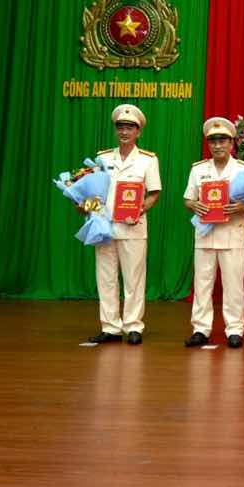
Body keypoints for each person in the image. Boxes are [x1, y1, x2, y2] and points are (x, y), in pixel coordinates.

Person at [87, 104, 161, 345]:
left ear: (138, 132)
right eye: (120, 127)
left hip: (132, 226)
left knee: (133, 279)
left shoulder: (148, 160)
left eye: (130, 127)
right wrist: (86, 205)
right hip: (105, 227)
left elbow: (154, 194)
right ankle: (110, 327)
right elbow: (93, 191)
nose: (124, 132)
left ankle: (133, 326)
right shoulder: (103, 157)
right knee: (106, 278)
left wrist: (142, 208)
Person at [183, 117, 244, 349]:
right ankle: (200, 329)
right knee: (202, 284)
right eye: (213, 140)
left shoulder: (243, 169)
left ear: (232, 143)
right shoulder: (198, 169)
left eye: (222, 140)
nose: (217, 145)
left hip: (233, 233)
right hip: (205, 234)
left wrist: (243, 207)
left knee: (233, 285)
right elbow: (188, 198)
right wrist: (195, 205)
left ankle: (234, 329)